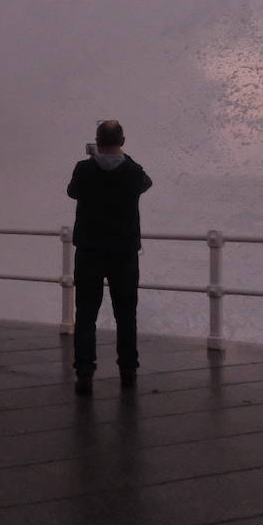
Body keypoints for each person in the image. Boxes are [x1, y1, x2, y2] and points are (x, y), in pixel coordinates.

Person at [66, 119, 153, 396]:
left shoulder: (84, 169)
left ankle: (85, 372)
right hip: (124, 253)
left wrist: (95, 158)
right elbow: (145, 182)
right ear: (123, 142)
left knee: (86, 313)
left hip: (90, 252)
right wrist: (121, 157)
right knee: (125, 313)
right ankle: (128, 370)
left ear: (97, 141)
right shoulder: (132, 171)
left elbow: (72, 192)